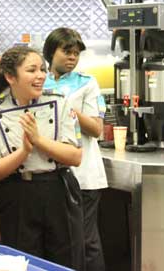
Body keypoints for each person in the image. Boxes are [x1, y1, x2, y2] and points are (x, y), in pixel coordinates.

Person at [0, 46, 84, 269]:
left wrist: (38, 140)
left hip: (58, 189)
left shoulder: (60, 103)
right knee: (23, 262)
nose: (40, 75)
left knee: (66, 260)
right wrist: (23, 151)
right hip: (17, 194)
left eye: (42, 69)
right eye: (32, 70)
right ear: (10, 77)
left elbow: (75, 156)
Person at [43, 27, 107, 271]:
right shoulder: (39, 81)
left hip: (85, 177)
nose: (72, 58)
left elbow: (96, 128)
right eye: (66, 52)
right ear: (51, 52)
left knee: (86, 241)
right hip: (53, 176)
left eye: (76, 53)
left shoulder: (87, 83)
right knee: (62, 242)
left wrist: (68, 107)